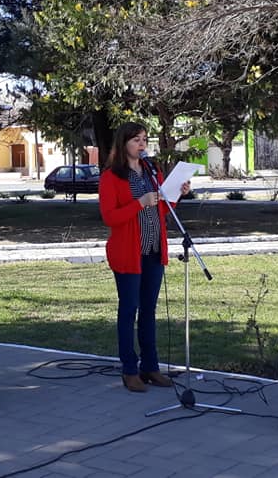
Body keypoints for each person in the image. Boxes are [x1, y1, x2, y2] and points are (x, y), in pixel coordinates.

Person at [98, 122, 190, 393]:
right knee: (129, 311)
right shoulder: (111, 177)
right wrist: (138, 203)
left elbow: (161, 209)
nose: (142, 145)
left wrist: (176, 196)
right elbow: (110, 217)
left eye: (144, 140)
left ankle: (150, 367)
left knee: (149, 311)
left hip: (153, 251)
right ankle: (129, 370)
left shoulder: (152, 171)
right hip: (128, 254)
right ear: (123, 143)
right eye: (136, 140)